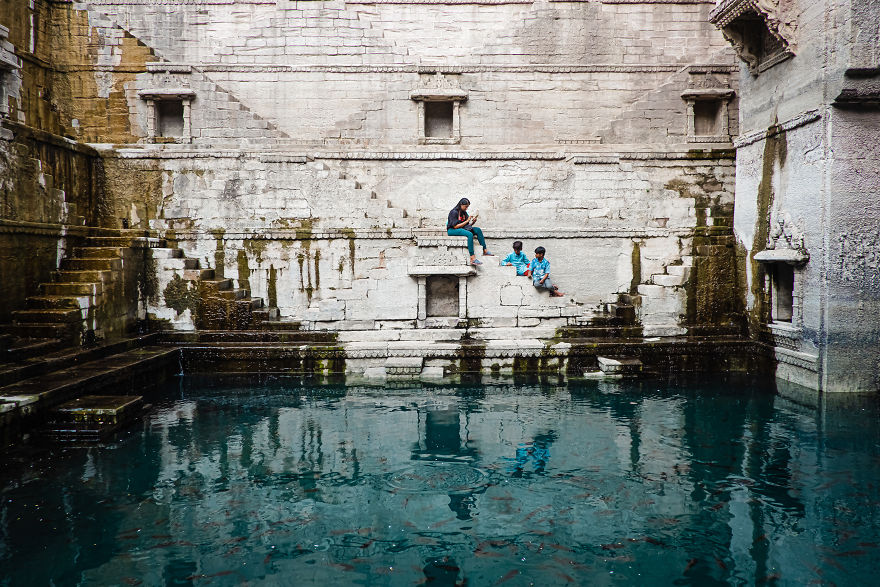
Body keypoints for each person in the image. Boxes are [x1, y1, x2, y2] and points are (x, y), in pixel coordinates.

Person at [446, 197, 493, 265]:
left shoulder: (464, 212)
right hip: (452, 230)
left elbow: (467, 225)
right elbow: (455, 226)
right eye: (465, 206)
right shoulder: (453, 212)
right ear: (461, 205)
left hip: (462, 228)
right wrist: (467, 220)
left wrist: (473, 222)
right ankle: (472, 258)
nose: (466, 208)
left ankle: (485, 250)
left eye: (467, 207)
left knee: (478, 230)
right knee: (469, 234)